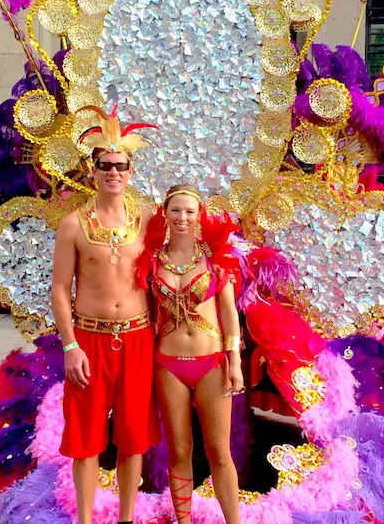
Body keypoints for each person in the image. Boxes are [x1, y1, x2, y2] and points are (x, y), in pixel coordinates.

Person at [52, 106, 160, 524]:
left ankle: (126, 519)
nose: (113, 172)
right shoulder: (72, 225)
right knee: (85, 436)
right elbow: (60, 290)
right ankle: (85, 519)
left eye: (121, 165)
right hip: (89, 340)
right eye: (105, 165)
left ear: (131, 171)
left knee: (133, 437)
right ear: (92, 171)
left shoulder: (148, 220)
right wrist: (70, 345)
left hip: (138, 338)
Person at [138, 184, 244, 524]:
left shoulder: (216, 258)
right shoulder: (151, 260)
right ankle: (184, 522)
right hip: (168, 364)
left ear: (200, 216)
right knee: (180, 451)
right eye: (175, 210)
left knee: (218, 452)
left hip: (211, 364)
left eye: (189, 211)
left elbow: (229, 313)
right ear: (164, 214)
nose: (182, 217)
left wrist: (235, 361)